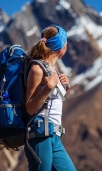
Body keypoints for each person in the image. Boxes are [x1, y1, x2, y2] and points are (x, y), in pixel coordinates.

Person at [24, 24, 76, 171]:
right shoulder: (37, 69)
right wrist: (48, 87)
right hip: (40, 134)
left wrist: (63, 89)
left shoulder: (54, 71)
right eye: (66, 43)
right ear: (61, 48)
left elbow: (50, 101)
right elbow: (30, 108)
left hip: (54, 135)